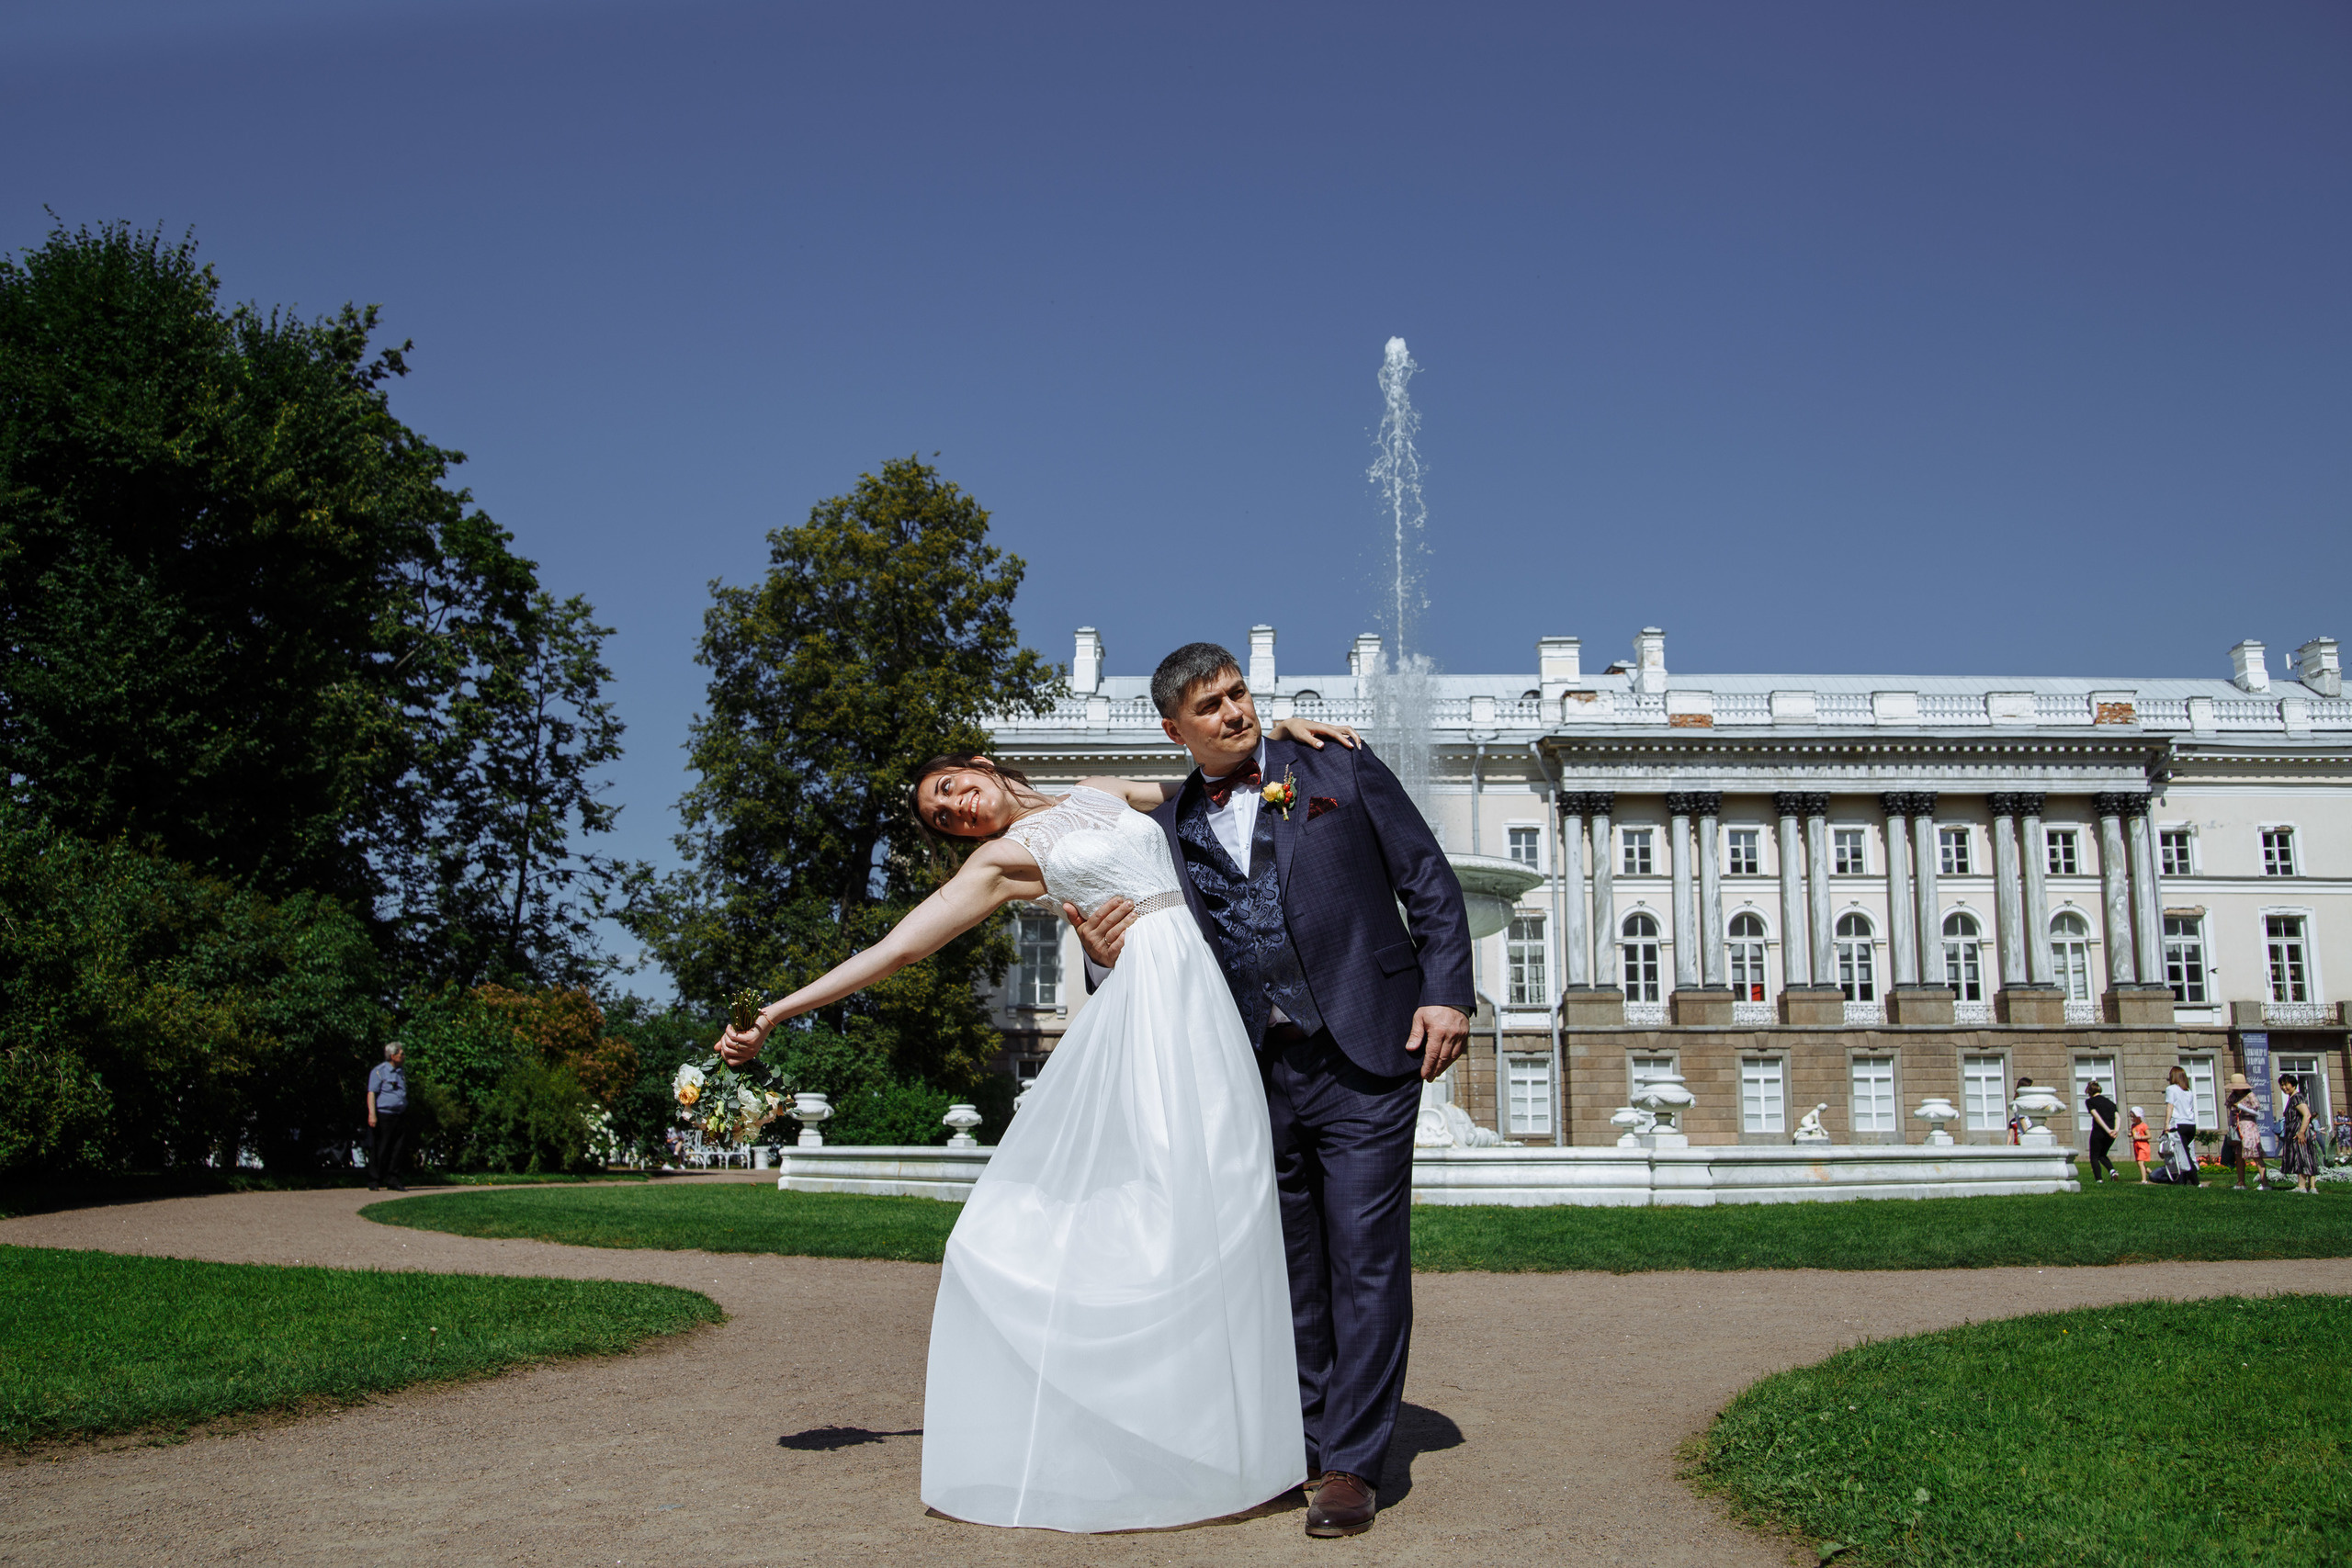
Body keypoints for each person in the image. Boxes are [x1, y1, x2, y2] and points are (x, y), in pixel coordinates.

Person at [714, 708, 1378, 1535]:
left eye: (952, 786)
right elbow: (897, 949)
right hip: (1150, 1013)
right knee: (1162, 1207)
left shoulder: (1100, 792)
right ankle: (1161, 1428)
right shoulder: (1000, 861)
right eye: (940, 814)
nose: (954, 807)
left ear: (985, 766)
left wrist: (1279, 734)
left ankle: (1260, 1437)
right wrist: (775, 1012)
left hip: (1213, 999)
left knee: (1233, 1208)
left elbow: (1218, 787)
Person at [1068, 643, 1474, 1539]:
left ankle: (1349, 1466)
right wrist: (1103, 963)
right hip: (1251, 1070)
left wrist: (1446, 992)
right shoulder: (1172, 821)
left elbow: (1428, 882)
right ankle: (1301, 1439)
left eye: (1238, 693)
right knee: (1289, 1272)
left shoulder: (1332, 763)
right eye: (1208, 707)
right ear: (1175, 730)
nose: (1233, 712)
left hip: (1367, 1053)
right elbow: (1155, 939)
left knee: (1363, 1259)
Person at [366, 1042, 410, 1191]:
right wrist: (372, 1114)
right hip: (384, 1115)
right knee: (381, 1147)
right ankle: (374, 1179)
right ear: (393, 1056)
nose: (404, 1056)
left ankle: (393, 1179)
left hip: (399, 1114)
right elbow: (372, 1093)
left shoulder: (401, 1072)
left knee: (398, 1148)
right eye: (401, 1053)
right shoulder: (379, 1071)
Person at [2278, 1072, 2318, 1194]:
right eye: (2282, 1085)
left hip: (2298, 1133)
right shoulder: (2292, 1098)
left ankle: (2301, 1186)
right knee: (2303, 1156)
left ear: (2293, 1084)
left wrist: (2301, 1132)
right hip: (2294, 1132)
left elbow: (2307, 1115)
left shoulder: (2297, 1098)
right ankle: (2309, 1187)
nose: (2284, 1087)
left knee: (2301, 1157)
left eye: (2286, 1084)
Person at [2224, 1073, 2264, 1192]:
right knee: (2238, 1156)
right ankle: (2241, 1181)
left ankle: (2264, 1181)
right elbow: (2230, 1110)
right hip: (2238, 1128)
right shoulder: (2233, 1096)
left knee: (2255, 1155)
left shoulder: (2250, 1095)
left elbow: (2256, 1112)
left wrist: (2242, 1108)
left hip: (2249, 1127)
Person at [2163, 1066, 2200, 1185]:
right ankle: (2183, 1181)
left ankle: (2195, 1182)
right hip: (2191, 1125)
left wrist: (2166, 1124)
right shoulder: (2188, 1091)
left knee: (2183, 1156)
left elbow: (2170, 1106)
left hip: (2179, 1124)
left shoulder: (2171, 1089)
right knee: (2187, 1153)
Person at [2081, 1079, 2119, 1184]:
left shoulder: (2090, 1101)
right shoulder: (2110, 1103)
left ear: (2089, 1092)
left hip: (2099, 1131)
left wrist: (2107, 1130)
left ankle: (2099, 1180)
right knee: (2102, 1154)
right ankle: (2112, 1171)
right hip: (2112, 1133)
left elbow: (2097, 1117)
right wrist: (2115, 1130)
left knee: (2094, 1156)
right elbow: (2117, 1117)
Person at [2130, 1107, 2154, 1182]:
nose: (2132, 1119)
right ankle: (2152, 1174)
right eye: (2131, 1117)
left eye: (2133, 1117)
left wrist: (2139, 1138)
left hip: (2143, 1147)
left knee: (2140, 1162)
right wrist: (2131, 1134)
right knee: (2139, 1164)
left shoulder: (2144, 1125)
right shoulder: (2133, 1126)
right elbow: (2134, 1133)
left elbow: (2149, 1136)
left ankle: (2144, 1180)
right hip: (2136, 1146)